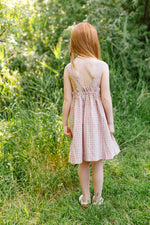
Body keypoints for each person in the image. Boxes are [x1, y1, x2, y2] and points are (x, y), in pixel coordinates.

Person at [62, 22, 121, 209]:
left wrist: (65, 123)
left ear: (75, 42)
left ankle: (85, 198)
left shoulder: (69, 68)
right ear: (93, 41)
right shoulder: (102, 66)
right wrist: (110, 123)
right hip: (97, 119)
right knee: (97, 161)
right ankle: (98, 198)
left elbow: (67, 100)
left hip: (79, 120)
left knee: (83, 161)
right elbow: (106, 97)